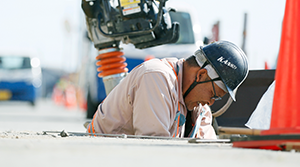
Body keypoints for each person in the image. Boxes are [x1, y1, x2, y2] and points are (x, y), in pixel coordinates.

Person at [87, 40, 249, 138]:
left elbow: (208, 149)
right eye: (213, 94)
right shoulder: (156, 77)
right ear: (201, 75)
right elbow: (154, 149)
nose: (210, 102)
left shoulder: (200, 108)